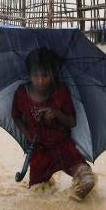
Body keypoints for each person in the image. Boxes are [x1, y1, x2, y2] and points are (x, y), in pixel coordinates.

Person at [11, 48, 95, 200]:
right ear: (29, 75)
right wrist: (28, 135)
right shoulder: (21, 93)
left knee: (86, 180)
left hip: (63, 146)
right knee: (38, 194)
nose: (41, 80)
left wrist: (57, 113)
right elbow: (15, 116)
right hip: (39, 151)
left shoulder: (61, 91)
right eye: (36, 75)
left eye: (45, 75)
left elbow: (72, 121)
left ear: (53, 73)